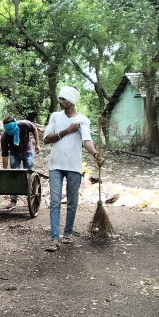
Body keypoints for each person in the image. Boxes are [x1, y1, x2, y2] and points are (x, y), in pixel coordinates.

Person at [42, 86, 104, 252]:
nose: (60, 102)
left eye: (63, 99)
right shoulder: (55, 116)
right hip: (56, 165)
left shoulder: (82, 120)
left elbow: (87, 141)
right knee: (55, 202)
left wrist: (96, 154)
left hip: (74, 166)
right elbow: (46, 139)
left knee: (72, 202)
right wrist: (67, 131)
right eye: (60, 98)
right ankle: (54, 238)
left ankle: (68, 232)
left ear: (72, 101)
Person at [0, 116, 41, 209]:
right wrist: (5, 170)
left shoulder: (24, 124)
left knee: (30, 174)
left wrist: (37, 144)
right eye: (7, 130)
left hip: (28, 151)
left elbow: (34, 129)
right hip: (14, 154)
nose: (9, 131)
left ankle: (31, 198)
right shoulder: (5, 136)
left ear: (15, 125)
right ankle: (13, 201)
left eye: (11, 129)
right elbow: (5, 154)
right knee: (14, 175)